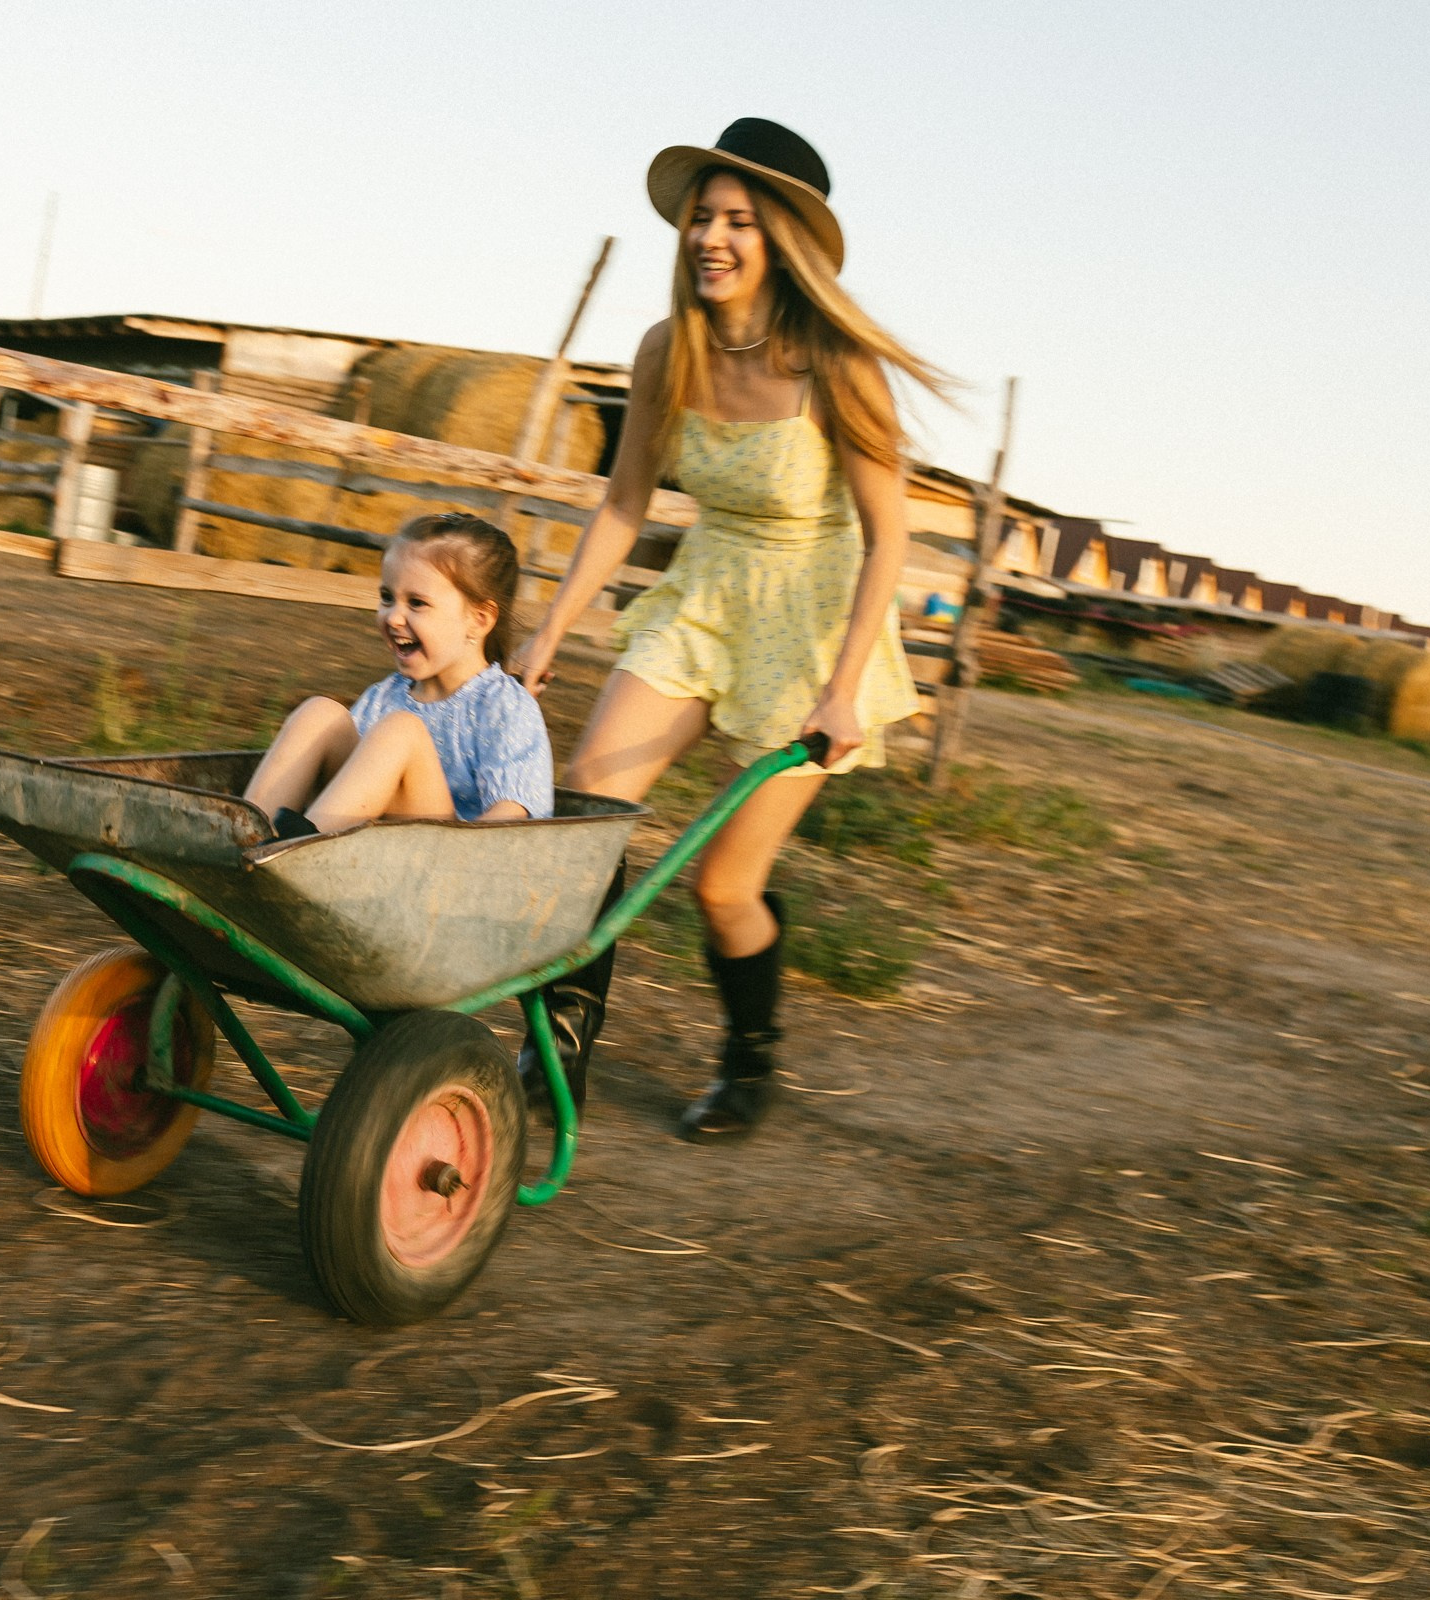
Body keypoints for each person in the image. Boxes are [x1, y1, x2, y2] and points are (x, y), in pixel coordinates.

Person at [511, 118, 946, 1143]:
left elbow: (891, 538)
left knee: (722, 885)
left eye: (738, 220)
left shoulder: (837, 365)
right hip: (706, 595)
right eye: (702, 216)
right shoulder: (670, 350)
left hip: (810, 619)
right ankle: (559, 1035)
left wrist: (842, 692)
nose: (712, 236)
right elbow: (624, 504)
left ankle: (751, 1060)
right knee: (588, 815)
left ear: (782, 239)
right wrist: (548, 632)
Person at [246, 513, 552, 835]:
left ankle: (299, 851)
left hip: (447, 856)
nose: (393, 617)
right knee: (319, 713)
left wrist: (468, 852)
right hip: (374, 844)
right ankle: (247, 833)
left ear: (478, 619)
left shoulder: (502, 705)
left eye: (417, 603)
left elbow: (515, 808)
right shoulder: (384, 697)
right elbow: (352, 784)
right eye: (387, 598)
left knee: (402, 731)